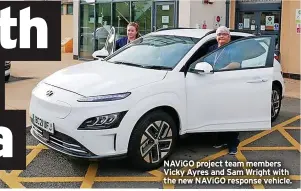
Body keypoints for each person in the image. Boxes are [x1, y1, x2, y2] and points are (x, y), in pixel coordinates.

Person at [207, 26, 241, 155]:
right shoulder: (212, 49)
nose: (221, 36)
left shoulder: (233, 49)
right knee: (218, 113)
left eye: (224, 34)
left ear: (229, 37)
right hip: (214, 85)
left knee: (230, 115)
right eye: (219, 34)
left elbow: (236, 64)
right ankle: (221, 139)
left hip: (229, 84)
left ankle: (233, 143)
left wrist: (220, 71)